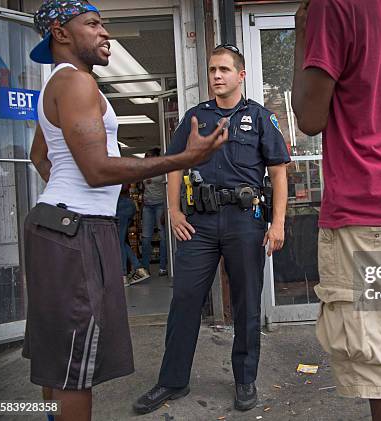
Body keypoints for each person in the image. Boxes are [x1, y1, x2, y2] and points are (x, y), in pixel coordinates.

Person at [25, 1, 228, 420]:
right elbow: (98, 169)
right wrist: (182, 159)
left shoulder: (61, 84)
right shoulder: (77, 84)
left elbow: (39, 156)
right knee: (74, 367)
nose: (106, 34)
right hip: (73, 230)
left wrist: (67, 196)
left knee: (62, 356)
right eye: (94, 25)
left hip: (62, 223)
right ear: (61, 33)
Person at [133, 44, 290, 415]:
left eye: (223, 69)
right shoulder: (195, 117)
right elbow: (173, 165)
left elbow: (279, 170)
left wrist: (278, 222)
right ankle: (172, 381)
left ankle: (244, 379)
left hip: (244, 221)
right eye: (211, 69)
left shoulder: (260, 117)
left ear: (241, 75)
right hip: (199, 223)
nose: (216, 76)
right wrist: (173, 210)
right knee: (185, 300)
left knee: (247, 302)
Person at [292, 1, 381, 420]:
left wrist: (301, 32)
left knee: (379, 361)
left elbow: (309, 118)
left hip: (363, 208)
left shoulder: (332, 7)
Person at [138, 147, 169, 279]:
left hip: (160, 205)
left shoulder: (162, 170)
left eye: (149, 156)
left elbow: (167, 189)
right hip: (148, 207)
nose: (147, 158)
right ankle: (145, 268)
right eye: (146, 156)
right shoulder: (145, 171)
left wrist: (165, 211)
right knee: (146, 239)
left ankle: (162, 267)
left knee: (163, 237)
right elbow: (143, 189)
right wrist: (142, 206)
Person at [116, 183, 149, 286]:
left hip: (120, 206)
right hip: (127, 205)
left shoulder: (116, 172)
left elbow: (124, 187)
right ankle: (139, 269)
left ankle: (124, 275)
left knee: (119, 242)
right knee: (122, 240)